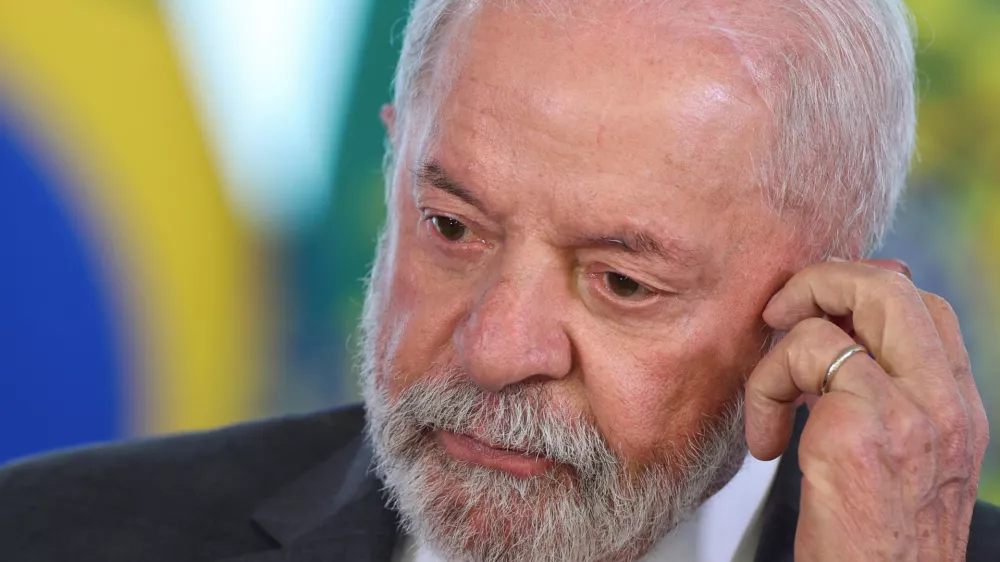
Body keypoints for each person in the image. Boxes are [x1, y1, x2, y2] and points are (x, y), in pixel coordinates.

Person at [1, 0, 998, 560]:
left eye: (620, 282)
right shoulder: (49, 534)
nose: (492, 347)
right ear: (393, 164)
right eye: (450, 227)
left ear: (823, 308)